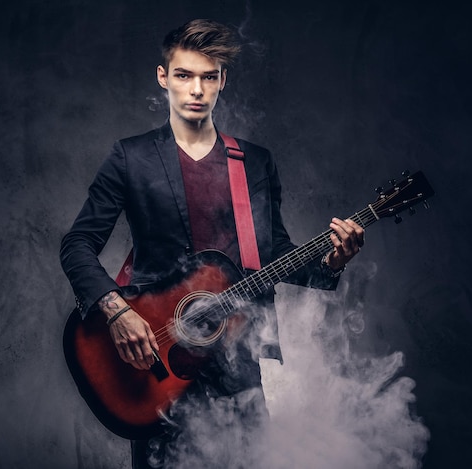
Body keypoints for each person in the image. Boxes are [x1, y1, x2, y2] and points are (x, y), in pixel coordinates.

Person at [60, 18, 364, 468]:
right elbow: (77, 244)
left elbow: (276, 253)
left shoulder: (255, 162)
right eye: (184, 75)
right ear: (163, 77)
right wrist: (116, 310)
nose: (196, 89)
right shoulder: (131, 157)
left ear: (223, 80)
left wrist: (333, 262)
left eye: (208, 76)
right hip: (158, 360)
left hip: (238, 362)